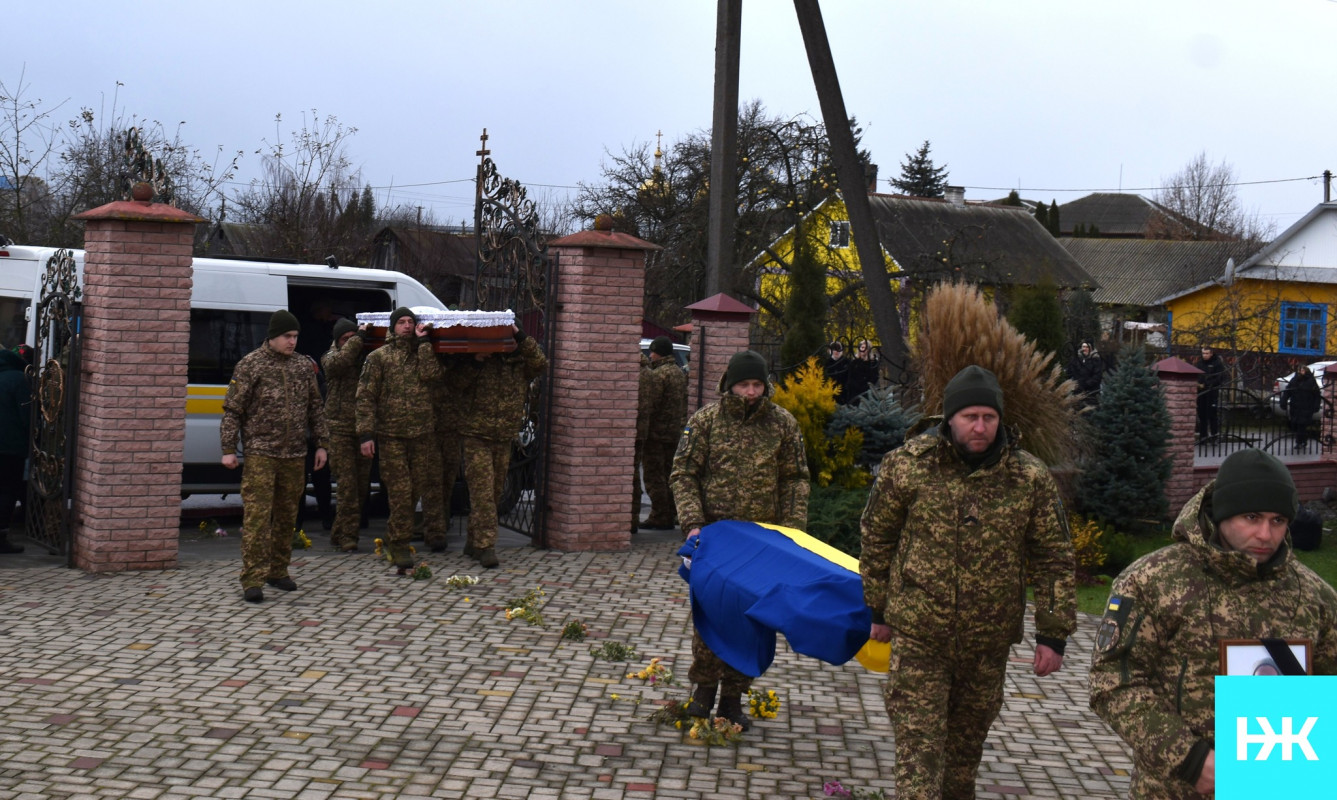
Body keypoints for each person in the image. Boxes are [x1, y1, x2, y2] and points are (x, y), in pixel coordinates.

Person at [859, 365, 1077, 799]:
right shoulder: (909, 466)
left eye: (989, 418)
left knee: (961, 767)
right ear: (949, 418)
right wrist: (876, 609)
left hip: (987, 645)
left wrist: (1053, 635)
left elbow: (1054, 557)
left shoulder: (1028, 477)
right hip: (921, 637)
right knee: (919, 763)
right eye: (970, 417)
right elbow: (877, 536)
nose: (980, 427)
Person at [1089, 448, 1337, 799]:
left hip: (1278, 787)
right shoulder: (1153, 581)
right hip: (1175, 790)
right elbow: (1112, 682)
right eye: (1251, 517)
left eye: (1278, 520)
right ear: (1221, 514)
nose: (1266, 534)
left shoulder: (1315, 598)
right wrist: (1190, 760)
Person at [671, 350, 810, 731]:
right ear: (729, 385)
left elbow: (795, 478)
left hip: (762, 543)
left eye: (757, 385)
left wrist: (792, 529)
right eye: (744, 384)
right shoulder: (705, 422)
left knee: (751, 620)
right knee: (711, 615)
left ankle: (732, 699)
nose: (750, 392)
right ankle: (702, 693)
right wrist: (694, 523)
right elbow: (684, 474)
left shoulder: (782, 424)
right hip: (714, 539)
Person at [221, 310, 329, 603]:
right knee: (257, 517)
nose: (292, 342)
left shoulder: (303, 367)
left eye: (295, 337)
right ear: (273, 336)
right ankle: (252, 578)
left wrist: (321, 444)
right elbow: (233, 410)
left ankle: (278, 571)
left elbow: (315, 409)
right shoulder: (251, 365)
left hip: (294, 454)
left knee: (286, 517)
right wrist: (228, 449)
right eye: (287, 337)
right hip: (261, 453)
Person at [356, 307, 445, 574]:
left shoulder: (423, 353)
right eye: (402, 322)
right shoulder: (379, 357)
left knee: (416, 489)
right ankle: (400, 545)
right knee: (400, 493)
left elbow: (433, 376)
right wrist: (366, 434)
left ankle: (396, 536)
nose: (407, 326)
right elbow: (365, 397)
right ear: (392, 327)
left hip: (422, 436)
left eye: (411, 322)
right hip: (392, 436)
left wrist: (424, 343)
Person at [457, 324, 547, 568]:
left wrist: (520, 333)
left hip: (503, 437)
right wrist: (476, 361)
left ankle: (474, 541)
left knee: (494, 493)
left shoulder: (520, 364)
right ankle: (486, 546)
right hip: (476, 435)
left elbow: (541, 363)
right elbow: (457, 384)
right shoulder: (481, 358)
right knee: (483, 492)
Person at [321, 318, 372, 552]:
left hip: (362, 429)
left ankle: (338, 532)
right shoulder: (330, 357)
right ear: (337, 341)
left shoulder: (366, 360)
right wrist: (358, 339)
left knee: (361, 488)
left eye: (353, 338)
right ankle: (348, 538)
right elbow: (338, 364)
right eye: (345, 339)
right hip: (338, 428)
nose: (351, 342)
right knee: (347, 486)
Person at [639, 336, 688, 530]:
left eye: (652, 351)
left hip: (657, 433)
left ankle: (660, 515)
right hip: (673, 432)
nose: (650, 355)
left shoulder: (659, 375)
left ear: (659, 353)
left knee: (654, 475)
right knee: (669, 473)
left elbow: (653, 403)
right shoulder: (677, 372)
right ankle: (672, 512)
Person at [0, 344, 31, 554]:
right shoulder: (19, 380)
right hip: (10, 447)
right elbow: (27, 416)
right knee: (7, 492)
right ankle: (1, 537)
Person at [632, 352, 653, 533]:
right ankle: (632, 518)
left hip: (630, 429)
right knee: (634, 473)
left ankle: (629, 519)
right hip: (643, 428)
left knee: (630, 475)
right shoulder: (649, 372)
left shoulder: (634, 371)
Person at [1281, 363, 1321, 450]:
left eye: (1302, 370)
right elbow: (1287, 391)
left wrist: (1316, 405)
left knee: (1301, 424)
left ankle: (1299, 442)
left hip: (1306, 406)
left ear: (1306, 371)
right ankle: (1303, 440)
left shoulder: (1311, 381)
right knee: (1295, 424)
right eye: (1299, 370)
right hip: (1295, 406)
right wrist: (1283, 401)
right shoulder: (1294, 380)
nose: (1300, 372)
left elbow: (1317, 395)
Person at [1196, 346, 1227, 441]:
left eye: (1206, 353)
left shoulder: (1217, 363)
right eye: (1203, 353)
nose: (1204, 355)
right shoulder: (1200, 363)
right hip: (1201, 393)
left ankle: (1214, 436)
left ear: (1211, 353)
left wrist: (1207, 384)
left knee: (1212, 414)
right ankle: (1203, 436)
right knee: (1202, 415)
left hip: (1212, 392)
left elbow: (1220, 377)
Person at [1067, 340, 1104, 407]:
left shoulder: (1096, 359)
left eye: (1087, 347)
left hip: (1091, 392)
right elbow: (1069, 372)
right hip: (1077, 391)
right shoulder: (1076, 359)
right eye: (1083, 347)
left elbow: (1097, 376)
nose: (1085, 349)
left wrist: (1084, 384)